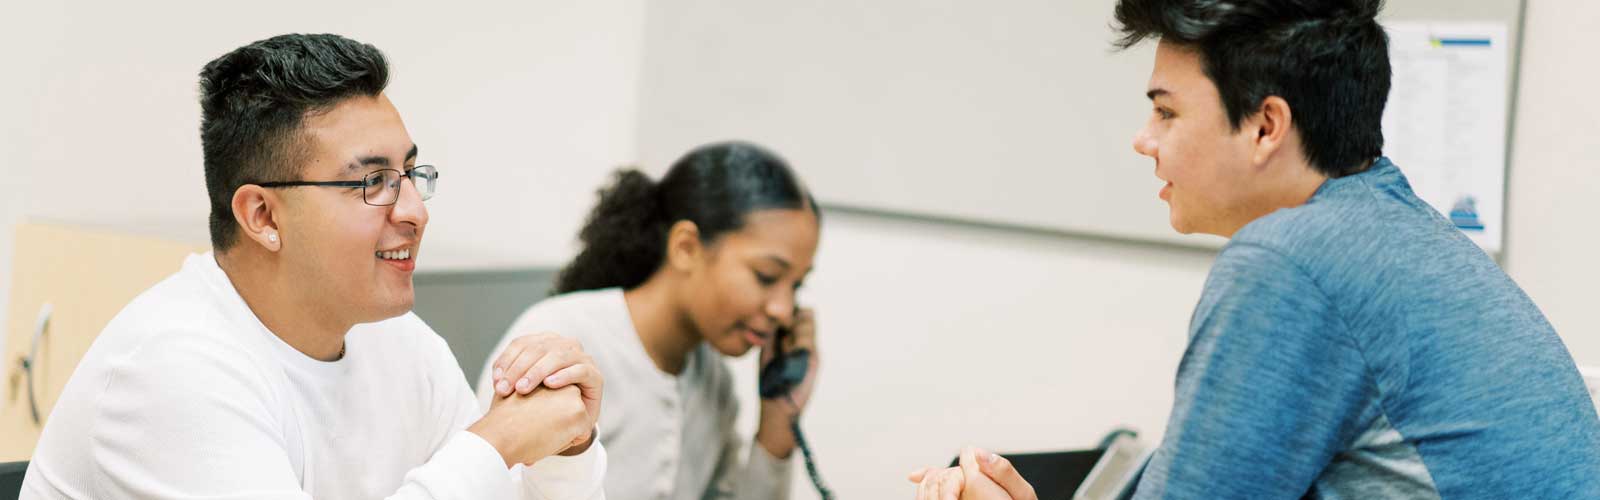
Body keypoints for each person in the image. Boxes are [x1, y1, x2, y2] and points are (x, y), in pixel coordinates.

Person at [909, 0, 1600, 498]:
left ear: (1267, 125)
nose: (1143, 139)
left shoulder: (1293, 261)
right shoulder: (1400, 230)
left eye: (1167, 110)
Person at [23, 33, 607, 500]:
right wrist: (495, 442)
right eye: (373, 182)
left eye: (410, 174)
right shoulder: (167, 368)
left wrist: (566, 451)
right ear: (262, 215)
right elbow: (480, 466)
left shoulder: (399, 343)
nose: (414, 212)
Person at [479, 141, 821, 499]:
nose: (784, 309)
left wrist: (779, 421)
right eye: (767, 276)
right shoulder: (558, 346)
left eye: (796, 285)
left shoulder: (713, 383)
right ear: (686, 247)